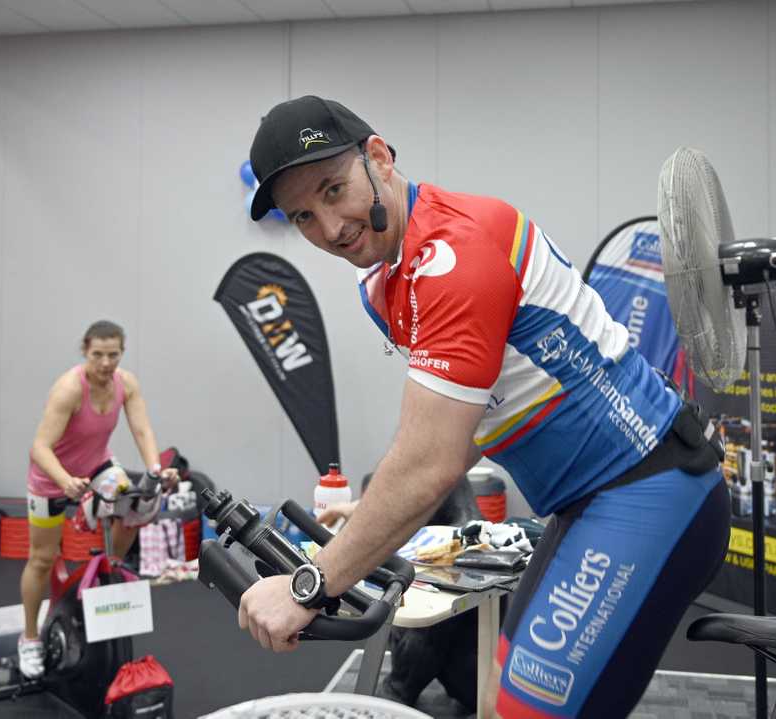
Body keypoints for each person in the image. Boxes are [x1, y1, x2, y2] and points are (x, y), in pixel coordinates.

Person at [236, 96, 730, 718]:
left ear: (379, 159)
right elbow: (467, 416)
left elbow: (429, 463)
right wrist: (373, 515)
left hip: (649, 488)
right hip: (584, 504)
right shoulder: (385, 278)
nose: (331, 228)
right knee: (500, 694)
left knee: (531, 709)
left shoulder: (451, 256)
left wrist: (310, 584)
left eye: (335, 190)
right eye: (303, 215)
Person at [17, 320, 176, 680]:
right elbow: (39, 448)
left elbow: (141, 429)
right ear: (85, 351)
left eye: (113, 355)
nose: (106, 363)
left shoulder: (126, 384)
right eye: (98, 355)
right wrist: (65, 481)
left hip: (98, 467)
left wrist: (155, 471)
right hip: (51, 477)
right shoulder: (69, 389)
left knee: (139, 501)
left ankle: (113, 564)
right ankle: (28, 637)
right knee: (41, 560)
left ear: (122, 352)